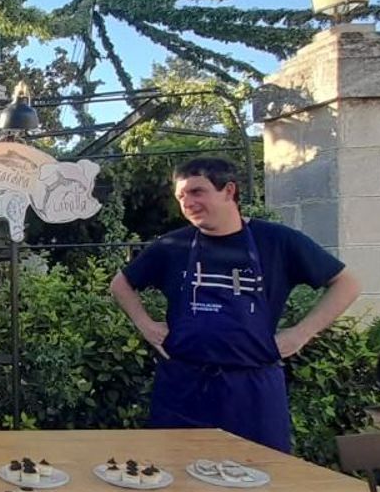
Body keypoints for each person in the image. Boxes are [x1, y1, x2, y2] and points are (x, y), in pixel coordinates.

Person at [108, 158, 361, 452]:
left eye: (196, 192)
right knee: (173, 477)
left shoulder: (277, 242)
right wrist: (146, 325)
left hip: (252, 390)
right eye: (181, 196)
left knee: (260, 479)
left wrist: (300, 334)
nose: (187, 202)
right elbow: (120, 284)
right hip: (183, 387)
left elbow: (347, 284)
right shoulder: (173, 246)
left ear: (229, 191)